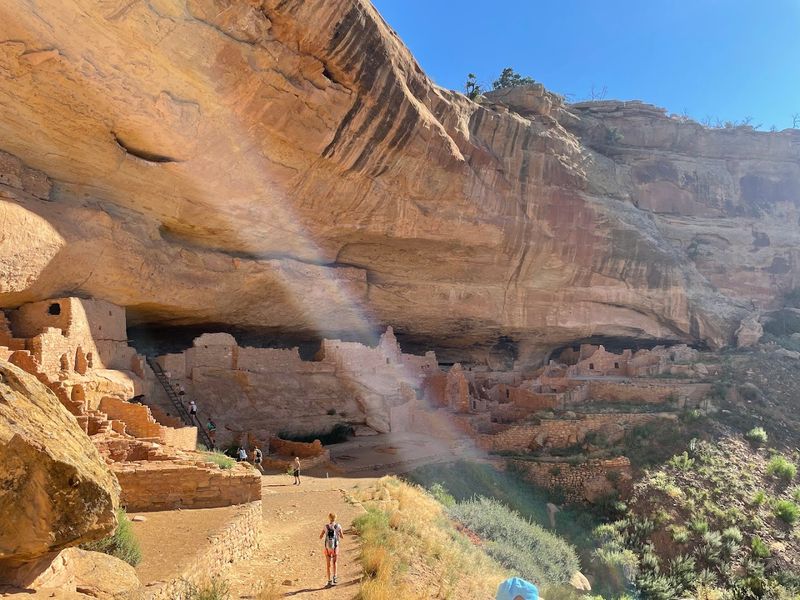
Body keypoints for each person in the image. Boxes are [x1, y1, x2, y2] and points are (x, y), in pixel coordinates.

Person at [319, 512, 344, 586]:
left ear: (329, 518)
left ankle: (329, 580)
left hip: (327, 548)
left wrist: (326, 534)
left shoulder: (326, 526)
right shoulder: (338, 526)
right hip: (335, 547)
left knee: (328, 564)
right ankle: (335, 578)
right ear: (335, 518)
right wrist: (338, 533)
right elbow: (342, 536)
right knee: (334, 562)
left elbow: (320, 536)